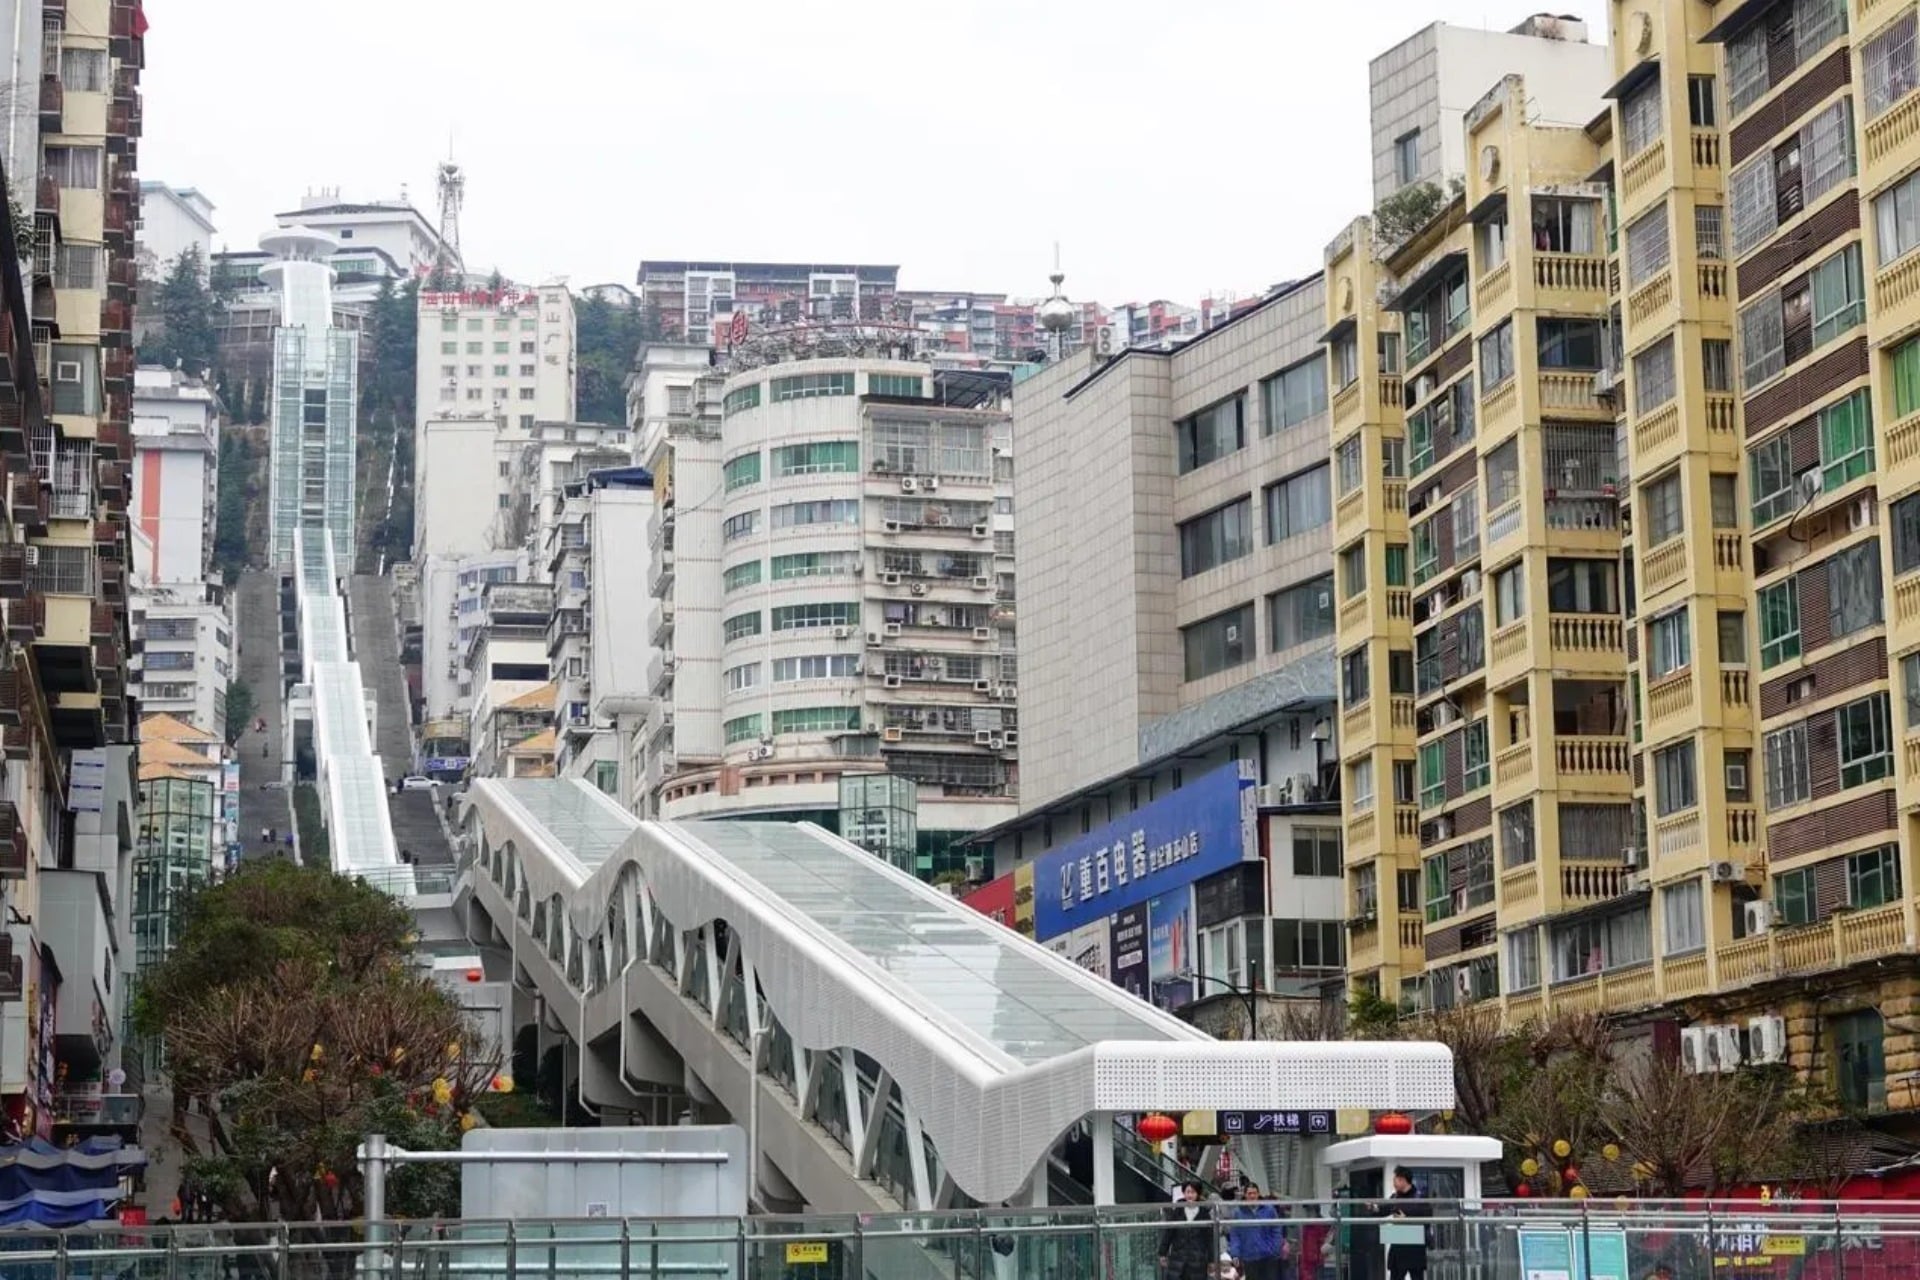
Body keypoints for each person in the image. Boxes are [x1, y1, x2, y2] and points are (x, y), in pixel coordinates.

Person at [1227, 1182, 1282, 1280]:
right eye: (1249, 1193)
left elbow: (1276, 1230)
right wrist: (1235, 1254)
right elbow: (1235, 1235)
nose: (1252, 1196)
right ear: (1245, 1195)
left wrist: (1275, 1249)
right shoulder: (1238, 1212)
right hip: (1249, 1257)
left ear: (1258, 1194)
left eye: (1254, 1193)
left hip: (1268, 1256)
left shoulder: (1269, 1210)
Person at [1161, 1181, 1215, 1280]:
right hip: (1178, 1256)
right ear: (1184, 1193)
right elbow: (1169, 1233)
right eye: (1187, 1192)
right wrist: (1162, 1253)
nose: (1190, 1195)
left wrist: (1212, 1260)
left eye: (1193, 1192)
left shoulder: (1204, 1213)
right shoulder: (1177, 1211)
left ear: (1198, 1193)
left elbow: (1209, 1238)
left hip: (1197, 1259)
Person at [1384, 1168, 1429, 1280]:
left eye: (1395, 1180)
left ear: (1403, 1180)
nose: (1393, 1183)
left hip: (1414, 1246)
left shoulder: (1420, 1198)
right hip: (1398, 1243)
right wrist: (1374, 1208)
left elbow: (1427, 1220)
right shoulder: (1395, 1197)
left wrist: (1407, 1219)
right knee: (1395, 1276)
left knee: (1417, 1276)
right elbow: (1383, 1209)